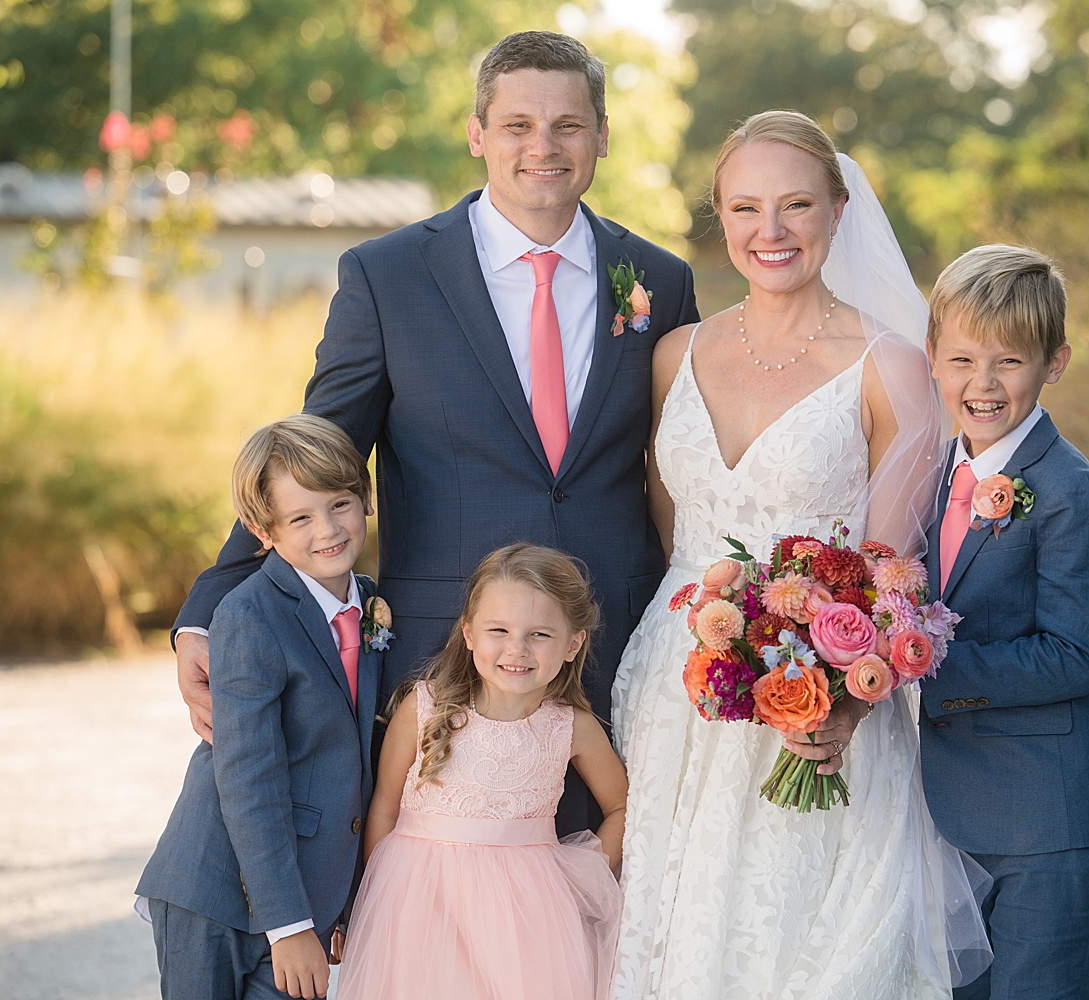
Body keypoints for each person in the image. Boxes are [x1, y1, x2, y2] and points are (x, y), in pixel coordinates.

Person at [169, 30, 698, 838]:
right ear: (477, 133)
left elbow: (684, 467)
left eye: (568, 125)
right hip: (449, 656)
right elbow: (315, 460)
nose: (543, 147)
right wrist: (208, 607)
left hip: (615, 647)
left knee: (609, 915)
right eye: (517, 125)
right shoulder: (388, 277)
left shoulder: (659, 280)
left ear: (599, 135)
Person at [611, 110, 991, 1000]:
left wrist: (838, 703)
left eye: (795, 206)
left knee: (791, 948)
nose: (769, 232)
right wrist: (716, 634)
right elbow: (677, 535)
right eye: (745, 209)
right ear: (719, 216)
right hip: (676, 693)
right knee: (668, 935)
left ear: (838, 208)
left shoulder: (890, 367)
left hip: (817, 709)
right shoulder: (673, 355)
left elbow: (891, 578)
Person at [918, 244, 1089, 1000]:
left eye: (1008, 362)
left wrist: (920, 669)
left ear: (1055, 362)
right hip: (953, 813)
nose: (982, 385)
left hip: (1051, 820)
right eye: (962, 359)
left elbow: (1074, 654)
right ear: (933, 359)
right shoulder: (932, 475)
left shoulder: (1070, 491)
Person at [136, 414, 383, 1000]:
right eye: (300, 517)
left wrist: (339, 900)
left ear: (367, 499)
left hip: (298, 891)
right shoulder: (249, 615)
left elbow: (349, 764)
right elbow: (250, 778)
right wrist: (291, 925)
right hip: (217, 890)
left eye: (340, 504)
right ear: (261, 530)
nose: (328, 529)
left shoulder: (370, 604)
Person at [332, 543, 626, 1000]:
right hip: (419, 907)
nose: (517, 649)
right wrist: (375, 903)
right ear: (468, 632)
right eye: (498, 630)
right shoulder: (424, 706)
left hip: (526, 919)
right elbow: (385, 806)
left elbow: (623, 806)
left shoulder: (571, 726)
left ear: (573, 644)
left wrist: (580, 878)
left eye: (540, 635)